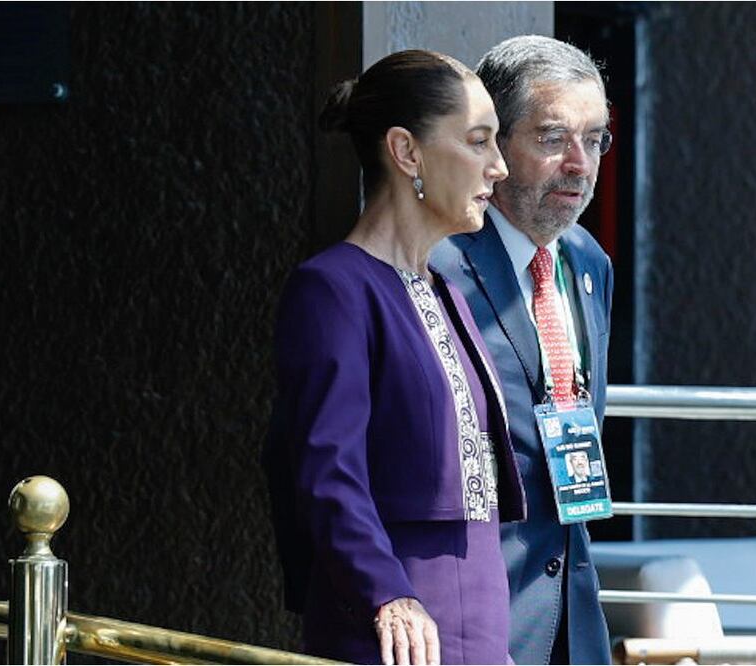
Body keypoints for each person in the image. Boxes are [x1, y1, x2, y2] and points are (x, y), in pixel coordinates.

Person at [262, 49, 524, 666]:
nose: (499, 166)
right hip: (397, 625)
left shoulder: (447, 292)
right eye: (478, 141)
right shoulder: (333, 288)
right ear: (406, 152)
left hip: (482, 617)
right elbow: (327, 468)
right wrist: (387, 593)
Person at [432, 35, 614, 665]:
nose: (579, 164)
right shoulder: (437, 265)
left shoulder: (588, 262)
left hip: (573, 620)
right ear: (495, 142)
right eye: (553, 138)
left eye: (595, 139)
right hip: (473, 618)